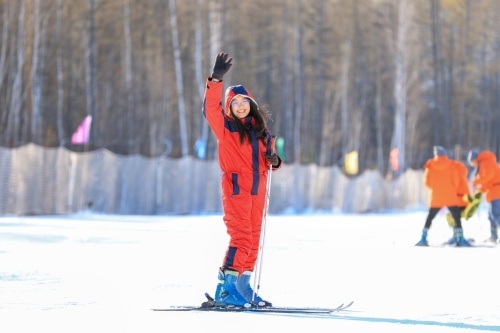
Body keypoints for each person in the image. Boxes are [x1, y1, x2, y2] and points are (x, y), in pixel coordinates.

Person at [202, 52, 282, 307]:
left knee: (254, 239)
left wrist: (275, 161)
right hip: (237, 188)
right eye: (234, 103)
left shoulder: (261, 132)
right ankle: (225, 290)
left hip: (258, 191)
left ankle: (243, 288)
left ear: (251, 103)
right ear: (229, 107)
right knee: (242, 238)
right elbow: (209, 109)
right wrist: (216, 81)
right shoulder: (226, 128)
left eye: (244, 101)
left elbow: (269, 159)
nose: (240, 106)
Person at [416, 146, 471, 246]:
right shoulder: (451, 165)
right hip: (450, 195)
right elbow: (456, 181)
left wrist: (436, 188)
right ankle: (460, 238)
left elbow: (427, 183)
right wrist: (450, 188)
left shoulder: (430, 166)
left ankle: (423, 238)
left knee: (430, 217)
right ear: (445, 154)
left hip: (436, 196)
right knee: (456, 217)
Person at [467, 149, 500, 244]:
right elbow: (487, 182)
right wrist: (479, 190)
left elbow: (488, 177)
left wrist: (476, 182)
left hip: (497, 192)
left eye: (472, 162)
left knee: (496, 215)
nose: (472, 164)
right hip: (494, 192)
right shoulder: (484, 164)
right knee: (491, 216)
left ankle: (494, 236)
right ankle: (493, 237)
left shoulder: (485, 163)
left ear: (474, 159)